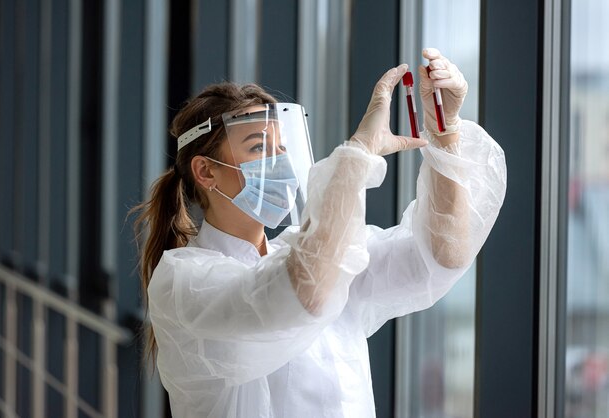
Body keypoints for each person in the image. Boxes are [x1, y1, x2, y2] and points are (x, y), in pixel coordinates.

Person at [133, 48, 506, 418]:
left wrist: (444, 129)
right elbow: (301, 293)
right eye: (259, 147)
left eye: (281, 148)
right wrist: (357, 155)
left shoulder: (316, 253)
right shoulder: (183, 280)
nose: (278, 162)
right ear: (206, 171)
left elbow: (441, 255)